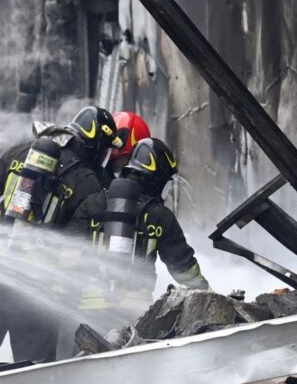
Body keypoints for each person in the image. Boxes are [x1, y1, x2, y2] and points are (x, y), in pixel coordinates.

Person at [0, 107, 122, 363]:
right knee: (33, 376)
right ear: (97, 145)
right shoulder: (88, 183)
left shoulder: (22, 152)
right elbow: (80, 245)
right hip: (37, 296)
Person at [69, 137, 209, 323]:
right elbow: (183, 269)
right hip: (135, 313)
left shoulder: (93, 203)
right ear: (158, 177)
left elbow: (68, 250)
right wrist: (208, 294)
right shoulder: (160, 216)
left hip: (90, 310)